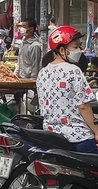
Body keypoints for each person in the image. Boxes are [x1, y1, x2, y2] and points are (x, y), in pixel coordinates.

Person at [37, 25, 98, 154]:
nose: (79, 51)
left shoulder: (42, 72)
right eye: (75, 47)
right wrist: (96, 130)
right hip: (79, 136)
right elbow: (83, 106)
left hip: (51, 135)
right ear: (62, 50)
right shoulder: (73, 71)